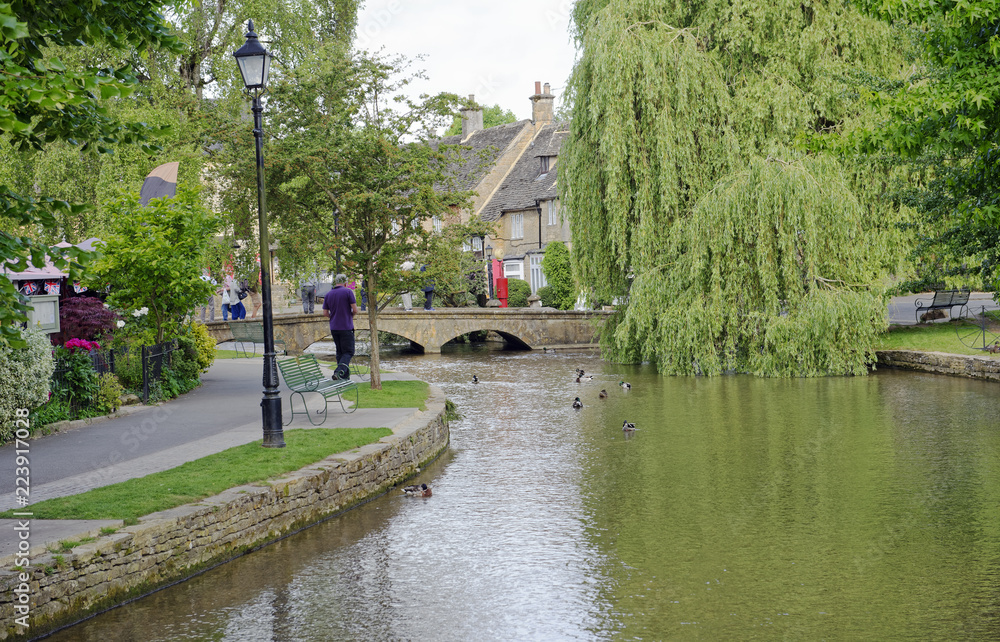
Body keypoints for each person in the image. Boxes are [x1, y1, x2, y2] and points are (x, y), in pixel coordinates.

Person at [322, 273, 359, 380]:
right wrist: (350, 315)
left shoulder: (328, 294)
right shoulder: (348, 292)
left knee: (340, 352)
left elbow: (325, 313)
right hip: (346, 326)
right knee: (348, 351)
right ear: (345, 283)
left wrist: (332, 317)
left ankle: (343, 377)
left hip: (334, 327)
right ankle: (338, 372)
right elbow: (355, 309)